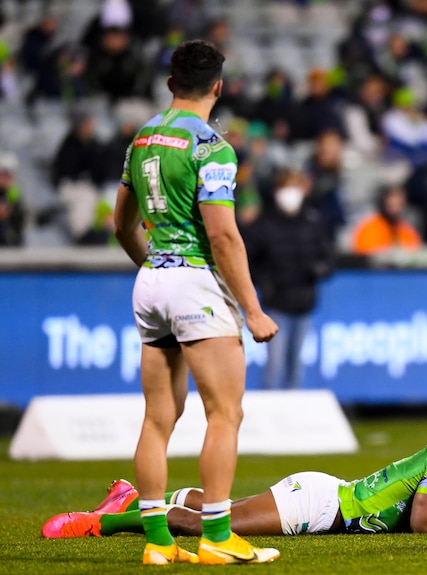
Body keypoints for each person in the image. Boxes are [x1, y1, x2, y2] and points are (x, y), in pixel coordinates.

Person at [112, 39, 280, 565]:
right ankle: (216, 536)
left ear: (169, 85)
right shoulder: (212, 147)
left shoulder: (142, 138)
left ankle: (159, 544)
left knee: (158, 417)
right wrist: (251, 309)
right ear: (218, 87)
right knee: (224, 412)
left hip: (151, 281)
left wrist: (150, 264)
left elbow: (121, 222)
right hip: (194, 282)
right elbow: (225, 238)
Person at [42, 400, 427, 538]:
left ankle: (126, 497)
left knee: (220, 507)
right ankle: (98, 523)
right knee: (204, 525)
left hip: (326, 494)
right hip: (318, 507)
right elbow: (424, 522)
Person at [243, 168, 335, 390]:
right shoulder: (264, 224)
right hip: (276, 304)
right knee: (274, 366)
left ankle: (292, 419)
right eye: (286, 187)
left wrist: (319, 270)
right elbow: (248, 261)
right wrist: (264, 283)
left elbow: (329, 257)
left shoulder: (312, 221)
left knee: (296, 367)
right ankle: (268, 416)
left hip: (304, 302)